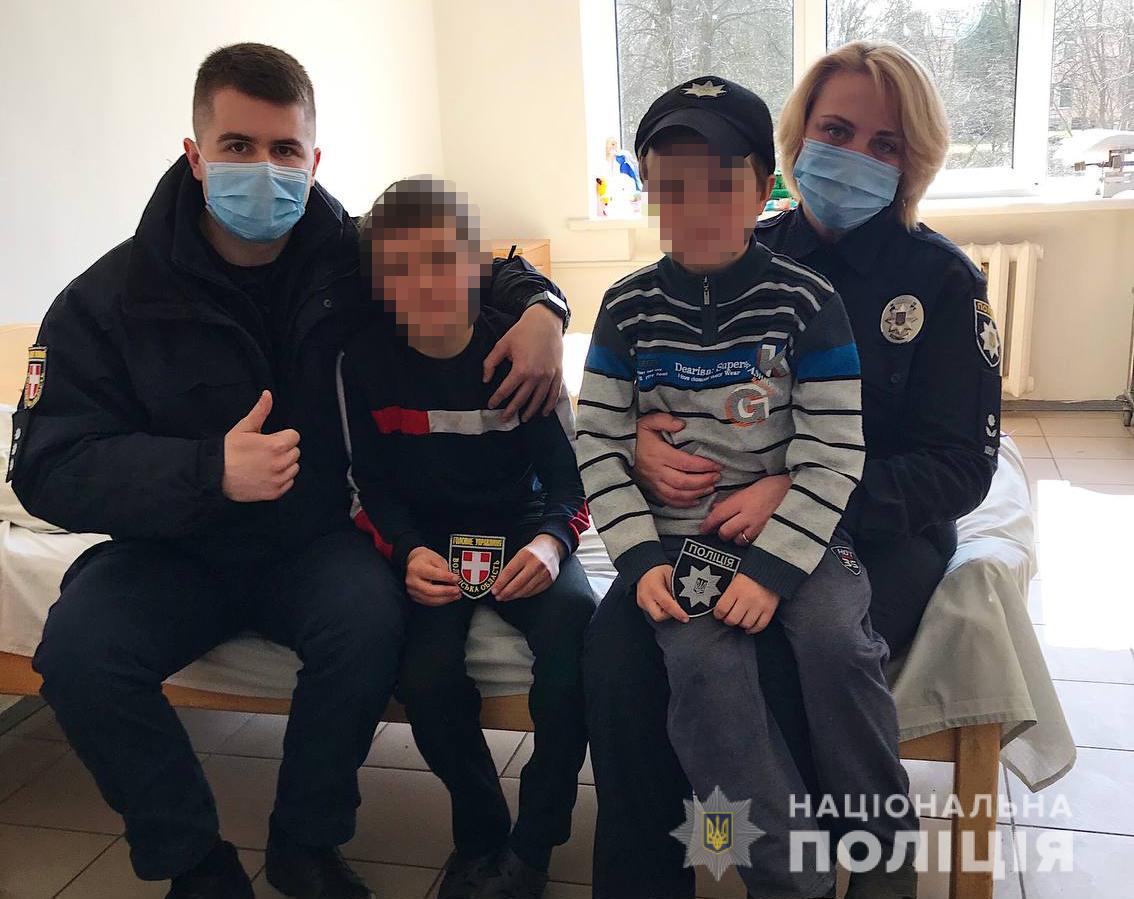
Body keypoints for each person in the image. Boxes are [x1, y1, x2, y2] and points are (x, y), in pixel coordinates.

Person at [9, 44, 570, 899]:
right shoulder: (110, 297)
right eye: (238, 146)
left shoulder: (349, 257)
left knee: (368, 622)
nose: (263, 169)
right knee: (80, 652)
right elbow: (47, 464)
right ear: (195, 155)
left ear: (314, 159)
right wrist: (205, 470)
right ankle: (194, 862)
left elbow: (464, 267)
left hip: (311, 540)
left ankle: (305, 843)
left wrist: (543, 308)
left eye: (284, 150)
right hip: (170, 548)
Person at [584, 42, 1000, 899]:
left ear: (915, 159)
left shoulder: (942, 281)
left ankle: (857, 860)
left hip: (873, 528)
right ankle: (653, 875)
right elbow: (617, 404)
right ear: (796, 138)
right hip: (711, 522)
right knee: (622, 653)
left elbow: (960, 467)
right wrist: (637, 446)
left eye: (884, 143)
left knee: (795, 654)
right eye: (836, 130)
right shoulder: (736, 248)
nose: (854, 156)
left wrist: (797, 491)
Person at [339, 177, 595, 899]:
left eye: (442, 260)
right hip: (430, 540)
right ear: (377, 284)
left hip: (521, 524)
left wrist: (551, 544)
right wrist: (406, 550)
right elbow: (368, 486)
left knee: (577, 622)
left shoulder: (519, 352)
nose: (425, 284)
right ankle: (480, 829)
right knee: (423, 678)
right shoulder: (364, 363)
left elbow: (573, 482)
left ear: (477, 265)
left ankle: (536, 840)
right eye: (400, 269)